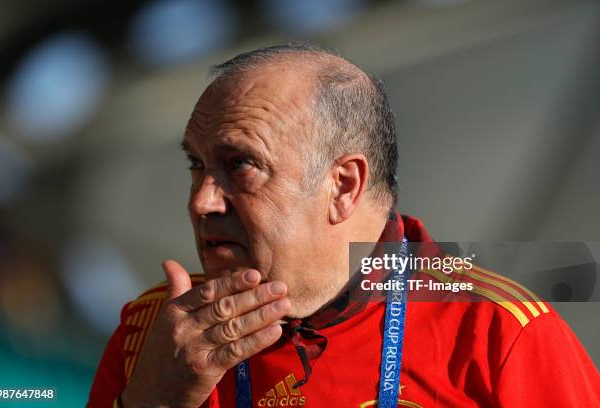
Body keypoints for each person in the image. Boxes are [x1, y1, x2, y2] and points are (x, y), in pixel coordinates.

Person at [87, 43, 599, 407]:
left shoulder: (498, 332)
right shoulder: (156, 332)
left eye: (239, 165)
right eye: (196, 165)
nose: (201, 201)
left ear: (344, 185)